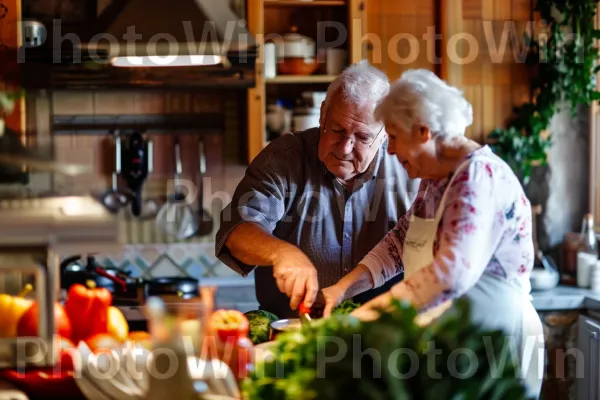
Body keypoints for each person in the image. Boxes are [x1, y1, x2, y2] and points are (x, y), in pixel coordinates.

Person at [321, 69, 544, 398]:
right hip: (455, 342)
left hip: (495, 347)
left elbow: (450, 274)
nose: (391, 151)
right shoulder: (436, 178)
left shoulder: (480, 177)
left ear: (423, 132)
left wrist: (364, 320)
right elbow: (398, 244)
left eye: (394, 137)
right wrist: (341, 290)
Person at [215, 61, 420, 318]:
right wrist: (280, 253)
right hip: (292, 328)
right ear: (323, 114)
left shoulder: (411, 169)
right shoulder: (285, 157)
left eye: (363, 138)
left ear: (385, 134)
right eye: (337, 130)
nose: (345, 147)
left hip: (382, 331)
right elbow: (237, 231)